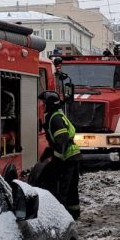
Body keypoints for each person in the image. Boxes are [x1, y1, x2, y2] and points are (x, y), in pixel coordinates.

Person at [38, 90, 82, 219]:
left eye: (44, 103)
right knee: (72, 188)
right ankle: (74, 213)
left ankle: (61, 217)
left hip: (67, 157)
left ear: (49, 104)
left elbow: (62, 139)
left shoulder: (55, 118)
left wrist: (56, 158)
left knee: (61, 187)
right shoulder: (57, 115)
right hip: (73, 155)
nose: (43, 105)